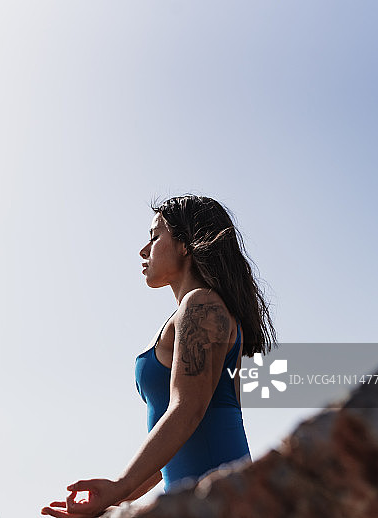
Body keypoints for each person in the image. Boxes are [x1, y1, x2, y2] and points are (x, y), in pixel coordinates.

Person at [41, 195, 276, 517]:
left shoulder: (203, 305)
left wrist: (121, 485)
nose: (143, 250)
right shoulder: (190, 311)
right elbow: (174, 435)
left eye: (154, 237)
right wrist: (113, 499)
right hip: (198, 501)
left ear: (185, 244)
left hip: (223, 503)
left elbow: (188, 410)